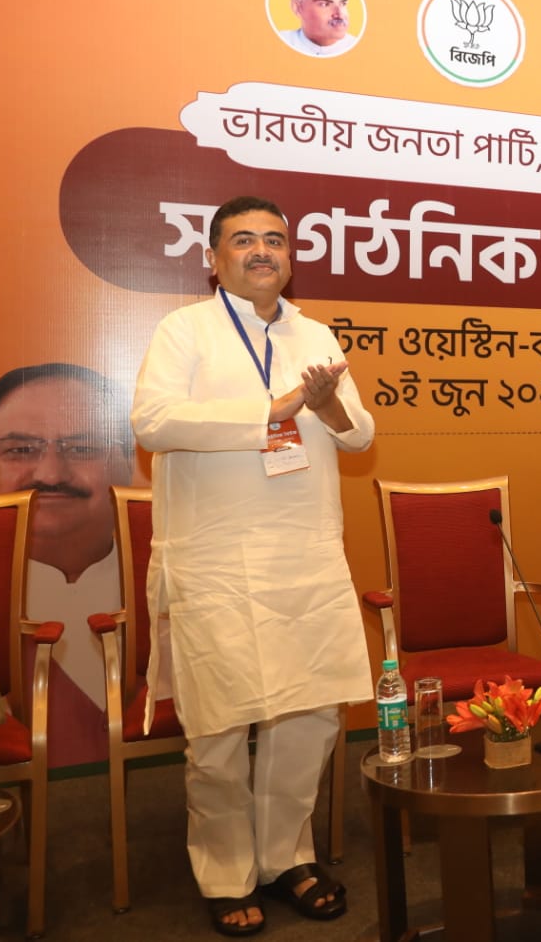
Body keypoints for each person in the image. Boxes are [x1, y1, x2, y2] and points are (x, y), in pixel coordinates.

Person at [131, 196, 374, 936]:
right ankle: (225, 869)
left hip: (304, 555)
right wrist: (277, 410)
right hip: (215, 560)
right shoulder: (184, 331)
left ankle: (286, 856)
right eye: (244, 241)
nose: (263, 251)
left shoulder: (315, 333)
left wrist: (326, 406)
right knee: (220, 725)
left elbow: (359, 436)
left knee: (311, 716)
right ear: (213, 257)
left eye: (275, 240)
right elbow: (152, 421)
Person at [0, 363, 135, 768]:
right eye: (19, 450)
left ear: (127, 462)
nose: (50, 473)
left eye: (82, 448)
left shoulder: (165, 579)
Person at [278, 0, 358, 57]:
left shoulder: (359, 47)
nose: (340, 14)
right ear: (297, 7)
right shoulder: (279, 42)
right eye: (325, 4)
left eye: (343, 3)